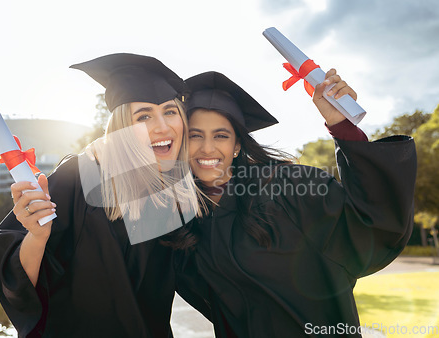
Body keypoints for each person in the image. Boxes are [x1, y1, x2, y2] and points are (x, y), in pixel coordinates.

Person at [174, 70, 417, 337]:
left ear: (237, 146)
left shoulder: (289, 188)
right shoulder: (184, 223)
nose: (207, 148)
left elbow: (371, 220)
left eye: (220, 135)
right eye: (195, 136)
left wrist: (343, 127)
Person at [0, 53, 202, 337]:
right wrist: (37, 237)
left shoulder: (180, 196)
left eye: (170, 111)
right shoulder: (81, 175)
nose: (162, 126)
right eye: (143, 116)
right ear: (123, 127)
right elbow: (16, 279)